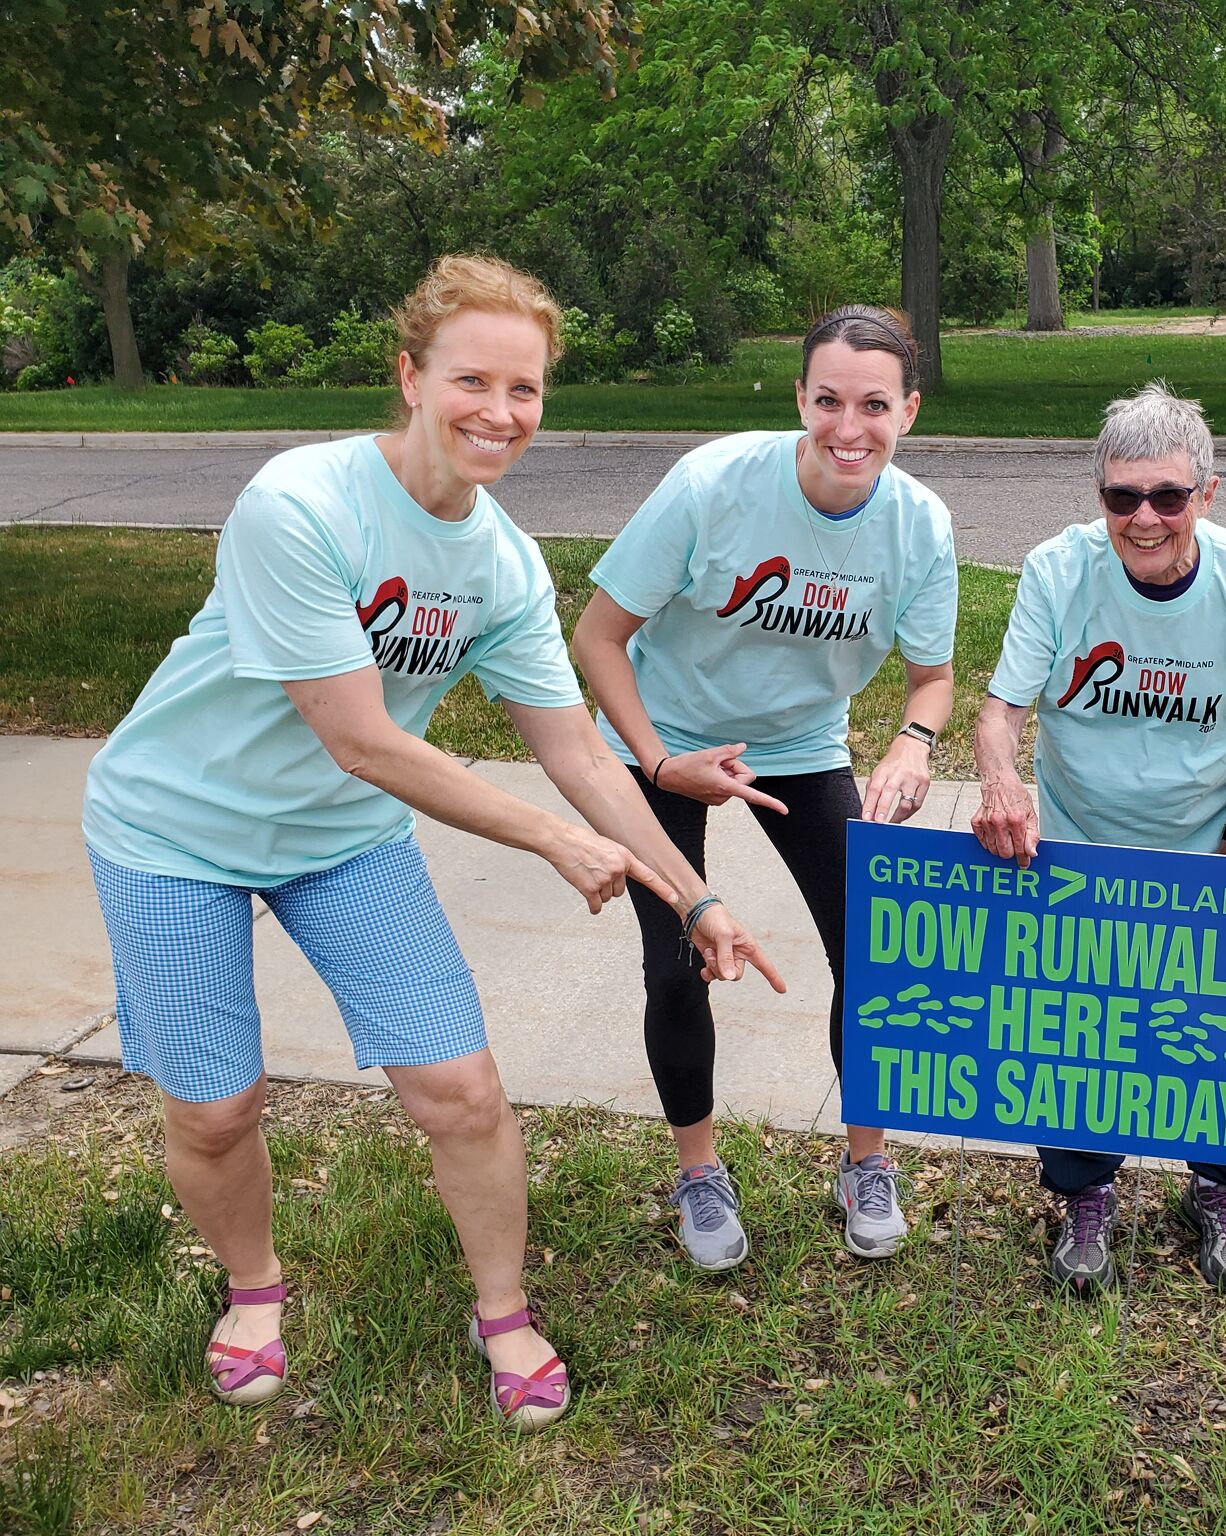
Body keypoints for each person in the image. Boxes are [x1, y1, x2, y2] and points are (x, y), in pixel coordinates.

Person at [80, 255, 781, 1431]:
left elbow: (577, 752)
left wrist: (690, 896)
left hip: (339, 843)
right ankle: (254, 1293)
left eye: (526, 390)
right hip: (173, 830)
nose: (499, 414)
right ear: (409, 376)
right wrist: (552, 842)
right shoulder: (300, 504)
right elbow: (361, 738)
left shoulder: (501, 562)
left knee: (462, 1089)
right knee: (216, 1106)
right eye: (473, 380)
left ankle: (501, 1313)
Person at [571, 304, 956, 1268]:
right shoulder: (712, 486)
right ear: (800, 399)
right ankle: (699, 1173)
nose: (848, 428)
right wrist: (661, 762)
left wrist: (912, 743)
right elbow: (597, 638)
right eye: (827, 400)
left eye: (874, 404)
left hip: (804, 746)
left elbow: (934, 678)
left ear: (909, 411)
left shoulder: (920, 525)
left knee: (877, 958)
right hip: (668, 743)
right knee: (678, 960)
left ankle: (866, 1162)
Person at [972, 381, 1226, 1296]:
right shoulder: (1059, 570)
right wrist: (1001, 777)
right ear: (1099, 496)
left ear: (1208, 493)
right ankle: (1086, 1193)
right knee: (1077, 1028)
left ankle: (1219, 1187)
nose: (1145, 518)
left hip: (1201, 845)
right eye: (1122, 496)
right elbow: (1002, 706)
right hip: (1078, 849)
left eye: (1169, 496)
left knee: (1211, 1030)